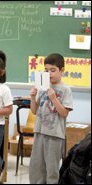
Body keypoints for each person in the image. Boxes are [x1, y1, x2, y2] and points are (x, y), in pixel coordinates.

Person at [29, 53, 73, 184]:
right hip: (39, 132)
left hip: (54, 135)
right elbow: (34, 110)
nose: (49, 73)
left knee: (51, 169)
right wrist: (32, 97)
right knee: (36, 167)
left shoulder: (66, 90)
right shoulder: (43, 87)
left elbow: (64, 113)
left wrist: (54, 98)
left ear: (62, 70)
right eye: (46, 70)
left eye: (53, 70)